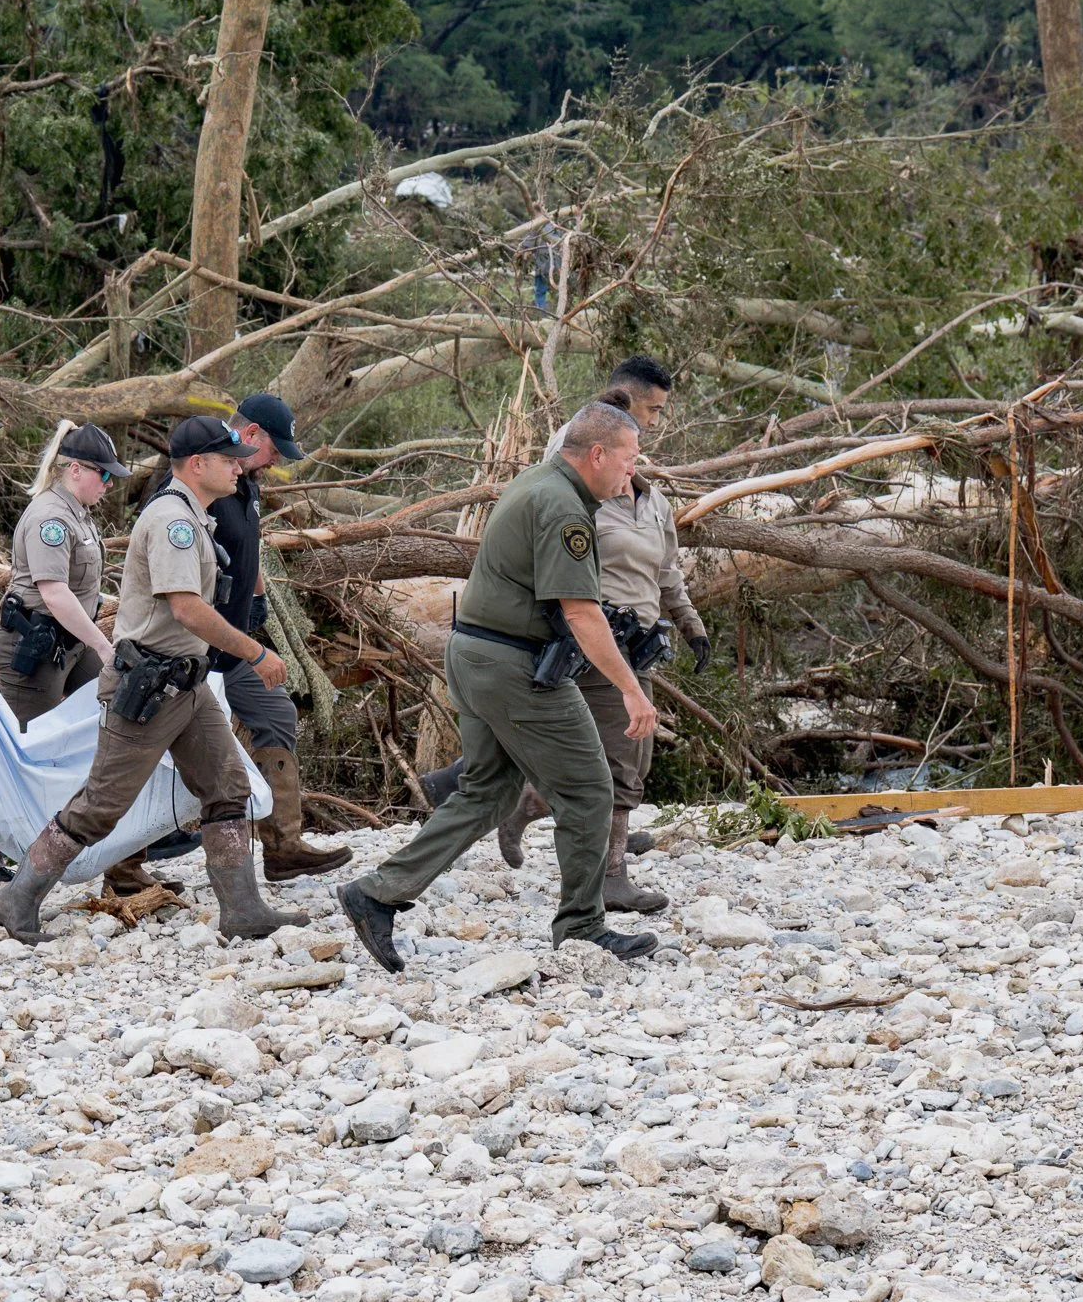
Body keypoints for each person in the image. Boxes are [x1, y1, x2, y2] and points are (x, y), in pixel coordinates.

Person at [336, 402, 663, 973]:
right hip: (515, 667)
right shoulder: (565, 508)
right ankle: (583, 928)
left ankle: (377, 894)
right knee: (590, 790)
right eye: (629, 460)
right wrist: (633, 690)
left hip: (476, 655)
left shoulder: (538, 483)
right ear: (596, 454)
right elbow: (581, 614)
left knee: (486, 793)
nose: (631, 474)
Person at [0, 417, 308, 945]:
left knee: (228, 788)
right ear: (197, 464)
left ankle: (243, 908)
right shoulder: (171, 522)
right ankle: (16, 896)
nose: (238, 467)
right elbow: (185, 608)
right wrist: (254, 652)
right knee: (101, 806)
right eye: (227, 459)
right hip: (152, 687)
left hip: (187, 682)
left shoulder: (195, 517)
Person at [423, 357, 707, 910]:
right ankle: (606, 875)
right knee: (612, 758)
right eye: (650, 411)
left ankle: (526, 808)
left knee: (617, 756)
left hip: (637, 636)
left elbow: (668, 570)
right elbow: (558, 563)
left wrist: (691, 625)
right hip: (592, 634)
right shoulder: (572, 481)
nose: (652, 426)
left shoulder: (652, 501)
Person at [142, 394, 352, 881]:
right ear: (250, 433)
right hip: (189, 648)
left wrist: (256, 602)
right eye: (274, 448)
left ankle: (283, 845)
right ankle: (132, 857)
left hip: (232, 643)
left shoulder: (247, 484)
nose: (276, 460)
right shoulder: (198, 488)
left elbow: (247, 548)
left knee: (276, 711)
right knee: (157, 749)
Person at [0, 423, 130, 895]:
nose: (107, 485)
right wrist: (102, 644)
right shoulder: (51, 515)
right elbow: (53, 593)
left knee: (112, 710)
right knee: (18, 749)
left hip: (68, 643)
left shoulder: (79, 512)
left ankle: (113, 844)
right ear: (75, 469)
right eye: (103, 476)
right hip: (37, 645)